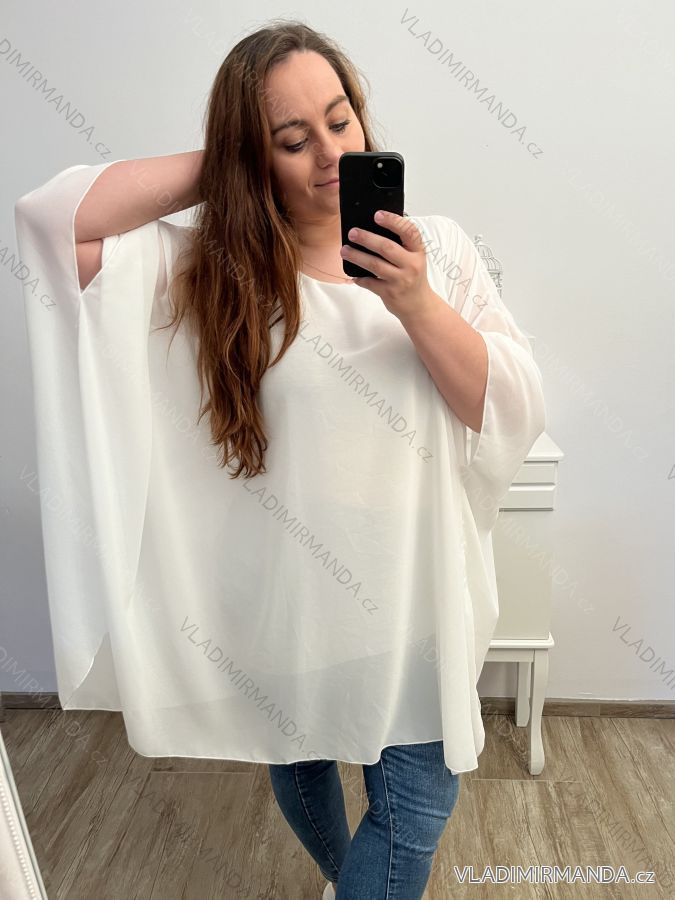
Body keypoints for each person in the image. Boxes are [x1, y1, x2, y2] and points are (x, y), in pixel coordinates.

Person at [14, 19, 546, 900]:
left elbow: (505, 405)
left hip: (415, 587)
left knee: (417, 805)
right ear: (251, 155)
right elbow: (49, 220)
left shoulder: (439, 252)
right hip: (292, 590)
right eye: (293, 140)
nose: (331, 155)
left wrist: (414, 301)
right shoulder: (210, 269)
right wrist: (226, 161)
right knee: (298, 754)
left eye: (340, 120)